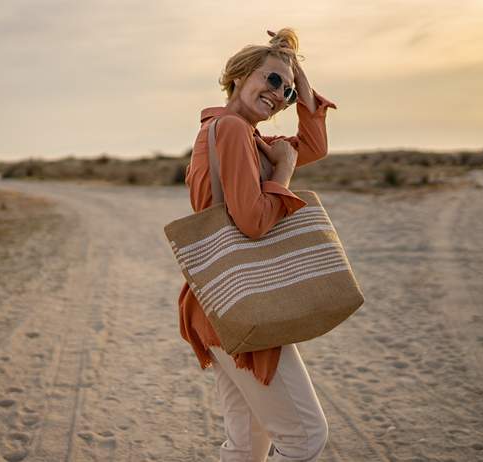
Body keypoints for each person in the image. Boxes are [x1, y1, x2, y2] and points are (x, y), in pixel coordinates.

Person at [177, 28, 338, 462]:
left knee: (248, 444)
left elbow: (312, 147)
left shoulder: (243, 136)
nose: (279, 95)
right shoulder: (231, 130)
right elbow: (252, 223)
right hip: (242, 302)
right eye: (271, 80)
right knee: (305, 438)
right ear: (240, 74)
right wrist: (282, 176)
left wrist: (300, 82)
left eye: (286, 91)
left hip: (218, 301)